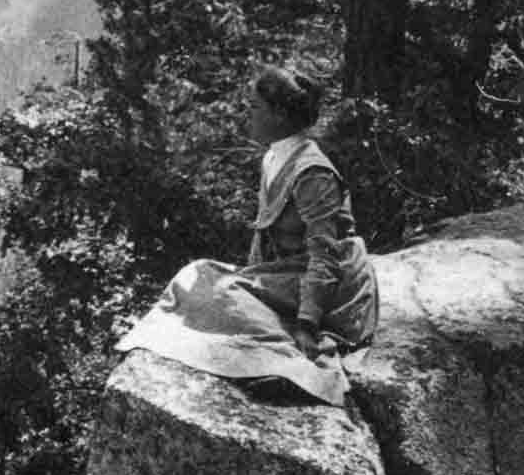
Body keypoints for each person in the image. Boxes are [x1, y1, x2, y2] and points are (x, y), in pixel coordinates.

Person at [115, 64, 379, 406]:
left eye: (255, 107)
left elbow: (325, 257)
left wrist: (308, 323)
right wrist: (253, 278)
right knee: (195, 274)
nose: (248, 114)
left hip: (333, 286)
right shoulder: (275, 157)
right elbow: (265, 237)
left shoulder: (313, 172)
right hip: (290, 271)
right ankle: (261, 333)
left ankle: (288, 364)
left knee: (223, 296)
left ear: (280, 114)